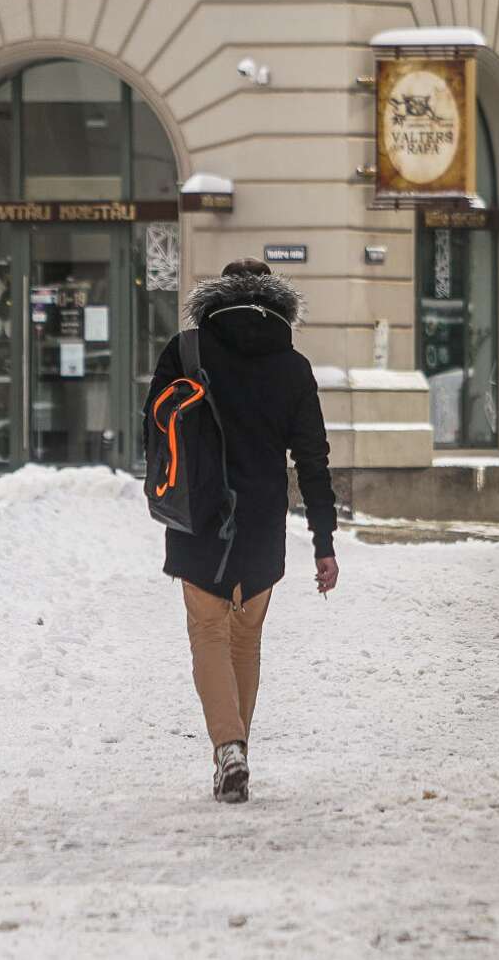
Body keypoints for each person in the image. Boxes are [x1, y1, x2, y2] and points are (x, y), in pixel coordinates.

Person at [146, 259, 339, 803]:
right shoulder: (292, 367)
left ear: (214, 298)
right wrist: (324, 542)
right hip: (261, 521)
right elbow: (313, 460)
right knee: (245, 641)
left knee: (207, 634)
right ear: (278, 303)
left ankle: (227, 749)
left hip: (196, 514)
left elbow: (153, 432)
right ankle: (238, 751)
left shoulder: (186, 350)